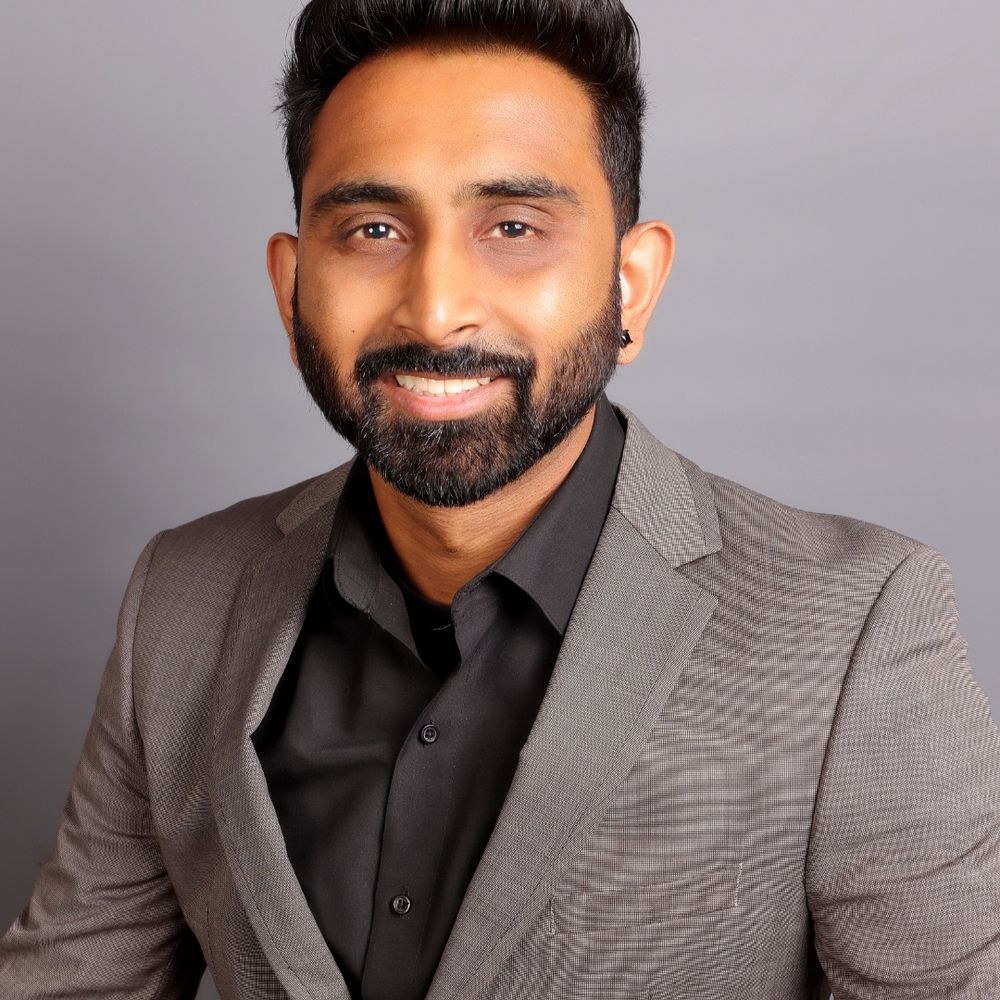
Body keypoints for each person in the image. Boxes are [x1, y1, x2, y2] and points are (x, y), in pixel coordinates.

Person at [2, 0, 998, 997]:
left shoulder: (853, 625)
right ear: (291, 285)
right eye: (373, 228)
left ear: (633, 284)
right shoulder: (181, 597)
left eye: (514, 227)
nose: (437, 308)